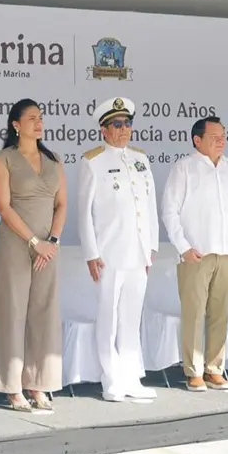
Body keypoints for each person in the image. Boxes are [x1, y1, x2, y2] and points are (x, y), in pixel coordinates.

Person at [0, 98, 67, 412]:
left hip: (48, 248)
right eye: (32, 118)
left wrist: (52, 241)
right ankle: (11, 385)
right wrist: (34, 241)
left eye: (41, 117)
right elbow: (3, 207)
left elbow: (62, 204)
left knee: (43, 312)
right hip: (17, 244)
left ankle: (38, 382)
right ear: (16, 125)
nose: (39, 122)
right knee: (13, 311)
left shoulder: (54, 159)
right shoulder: (3, 159)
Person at [161, 116, 228, 392]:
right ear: (197, 140)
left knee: (220, 313)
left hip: (227, 253)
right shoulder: (184, 168)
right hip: (196, 255)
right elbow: (169, 211)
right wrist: (184, 247)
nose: (221, 141)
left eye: (223, 136)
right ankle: (193, 371)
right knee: (194, 314)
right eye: (214, 137)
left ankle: (214, 368)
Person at [77, 97, 159, 401]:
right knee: (108, 317)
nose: (124, 129)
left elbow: (149, 205)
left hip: (138, 253)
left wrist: (151, 246)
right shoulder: (93, 161)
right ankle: (111, 378)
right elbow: (84, 212)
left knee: (131, 318)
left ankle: (131, 377)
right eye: (117, 124)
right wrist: (91, 253)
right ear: (104, 129)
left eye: (128, 123)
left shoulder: (140, 159)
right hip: (109, 253)